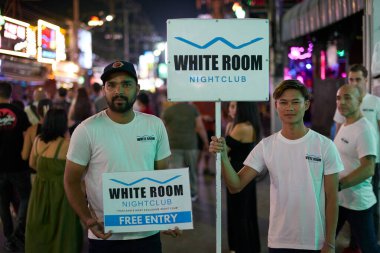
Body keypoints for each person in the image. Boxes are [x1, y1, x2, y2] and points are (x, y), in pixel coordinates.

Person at [209, 79, 343, 252]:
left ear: (307, 104)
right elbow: (235, 186)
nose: (289, 108)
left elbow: (332, 198)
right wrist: (223, 158)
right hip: (279, 241)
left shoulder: (324, 145)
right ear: (276, 105)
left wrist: (330, 243)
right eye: (283, 102)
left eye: (296, 102)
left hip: (314, 240)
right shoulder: (267, 145)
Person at [64, 60, 180, 253]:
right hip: (106, 235)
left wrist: (166, 216)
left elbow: (161, 177)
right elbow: (71, 180)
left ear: (137, 88)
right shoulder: (86, 130)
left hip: (147, 234)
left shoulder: (155, 125)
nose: (119, 90)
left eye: (126, 84)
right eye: (111, 85)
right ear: (104, 89)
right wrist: (87, 219)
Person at [333, 64, 380, 252]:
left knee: (369, 246)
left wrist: (339, 184)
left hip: (357, 201)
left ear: (359, 100)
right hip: (342, 199)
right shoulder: (346, 124)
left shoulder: (364, 129)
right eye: (338, 98)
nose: (341, 102)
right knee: (323, 241)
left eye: (347, 98)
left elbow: (368, 168)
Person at [25, 108, 83, 253]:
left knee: (40, 227)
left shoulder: (38, 140)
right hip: (62, 193)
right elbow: (78, 172)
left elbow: (32, 163)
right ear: (63, 124)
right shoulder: (68, 144)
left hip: (40, 192)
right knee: (63, 229)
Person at [224, 102, 262, 253]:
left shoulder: (241, 127)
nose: (230, 110)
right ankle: (244, 246)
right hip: (244, 171)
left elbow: (222, 151)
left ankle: (241, 247)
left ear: (243, 108)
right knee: (244, 211)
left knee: (239, 213)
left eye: (233, 106)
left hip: (238, 172)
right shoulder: (245, 125)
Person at [0, 81, 31, 252]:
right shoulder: (19, 112)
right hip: (18, 165)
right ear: (11, 94)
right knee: (25, 197)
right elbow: (27, 136)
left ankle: (9, 236)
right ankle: (18, 235)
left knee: (2, 203)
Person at [162, 102, 209, 201]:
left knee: (175, 172)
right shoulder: (193, 109)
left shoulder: (168, 110)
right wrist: (206, 142)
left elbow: (161, 128)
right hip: (190, 145)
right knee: (192, 170)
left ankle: (176, 195)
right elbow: (200, 127)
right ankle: (192, 193)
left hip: (173, 145)